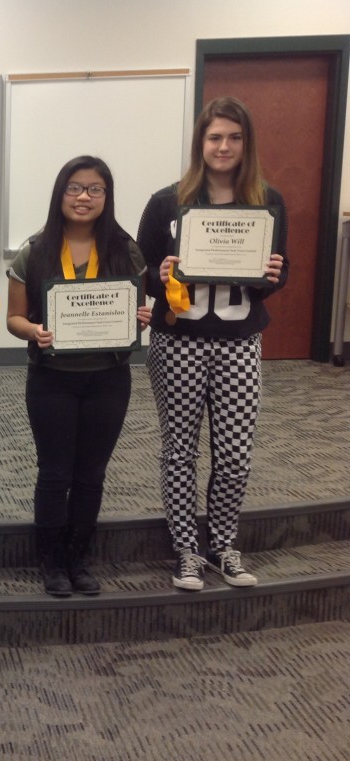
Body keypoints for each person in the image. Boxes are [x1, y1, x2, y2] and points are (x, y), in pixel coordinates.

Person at [137, 96, 288, 591]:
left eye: (234, 137)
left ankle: (223, 544)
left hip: (238, 342)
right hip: (178, 341)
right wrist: (158, 276)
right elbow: (143, 278)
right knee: (179, 450)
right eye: (214, 137)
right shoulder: (166, 202)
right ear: (200, 143)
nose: (223, 147)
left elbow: (274, 278)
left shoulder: (268, 201)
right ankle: (186, 550)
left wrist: (272, 275)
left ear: (247, 144)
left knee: (235, 452)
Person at [6, 156, 151, 597]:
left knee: (91, 473)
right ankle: (51, 560)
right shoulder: (35, 250)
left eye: (94, 189)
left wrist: (142, 316)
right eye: (74, 188)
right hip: (52, 379)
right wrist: (33, 330)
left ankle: (78, 556)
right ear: (59, 193)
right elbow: (13, 318)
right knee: (54, 473)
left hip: (108, 378)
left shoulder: (125, 250)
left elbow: (138, 313)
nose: (84, 197)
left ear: (107, 197)